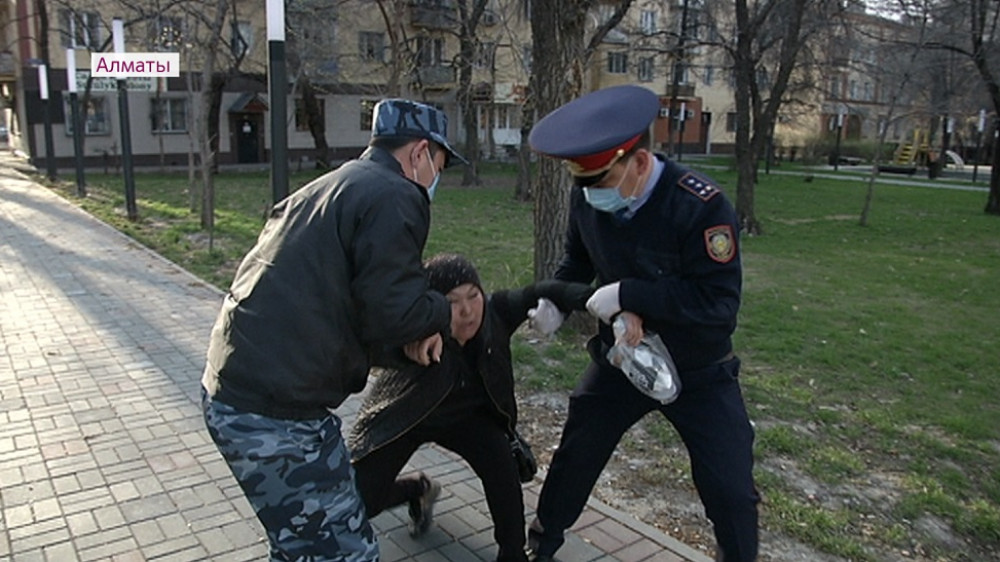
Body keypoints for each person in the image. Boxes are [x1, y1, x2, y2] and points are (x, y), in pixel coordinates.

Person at [200, 98, 468, 561]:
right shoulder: (396, 193)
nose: (436, 178)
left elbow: (356, 307)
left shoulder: (333, 186)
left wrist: (404, 347)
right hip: (274, 413)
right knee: (346, 553)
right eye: (440, 164)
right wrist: (444, 315)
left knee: (301, 545)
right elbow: (396, 310)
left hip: (240, 391)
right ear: (420, 152)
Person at [524, 84, 759, 562]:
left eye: (601, 181)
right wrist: (556, 301)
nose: (592, 194)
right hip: (623, 359)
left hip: (699, 370)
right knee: (576, 455)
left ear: (639, 161)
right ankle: (541, 545)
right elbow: (576, 261)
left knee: (729, 486)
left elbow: (717, 304)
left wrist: (631, 295)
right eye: (583, 184)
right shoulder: (589, 194)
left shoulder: (701, 207)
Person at [349, 253, 593, 562]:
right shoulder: (414, 328)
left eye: (473, 295)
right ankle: (416, 490)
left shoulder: (497, 312)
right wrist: (408, 340)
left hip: (469, 419)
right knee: (359, 502)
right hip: (409, 414)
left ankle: (512, 554)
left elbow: (546, 289)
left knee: (502, 470)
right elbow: (366, 340)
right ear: (432, 305)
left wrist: (603, 302)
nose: (467, 311)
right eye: (451, 302)